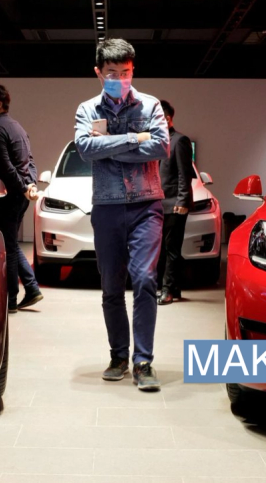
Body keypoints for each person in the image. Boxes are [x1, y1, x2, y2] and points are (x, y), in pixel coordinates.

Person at [74, 38, 169, 391]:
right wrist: (133, 138)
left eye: (126, 72)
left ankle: (143, 362)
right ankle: (118, 354)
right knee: (111, 286)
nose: (120, 79)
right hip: (107, 206)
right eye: (112, 73)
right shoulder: (87, 109)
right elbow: (85, 148)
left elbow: (160, 146)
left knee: (144, 279)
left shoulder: (150, 104)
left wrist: (111, 148)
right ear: (99, 73)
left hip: (147, 204)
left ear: (133, 70)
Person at [0, 83, 43, 314]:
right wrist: (30, 185)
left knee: (8, 246)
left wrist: (22, 187)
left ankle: (12, 300)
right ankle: (31, 288)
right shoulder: (17, 127)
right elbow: (31, 160)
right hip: (21, 196)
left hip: (7, 195)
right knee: (12, 244)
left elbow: (6, 167)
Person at [156, 100, 193, 306]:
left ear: (168, 119)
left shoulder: (180, 141)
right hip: (159, 205)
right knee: (162, 249)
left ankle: (168, 290)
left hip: (174, 205)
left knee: (171, 249)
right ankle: (174, 287)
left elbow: (184, 174)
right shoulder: (158, 142)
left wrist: (182, 201)